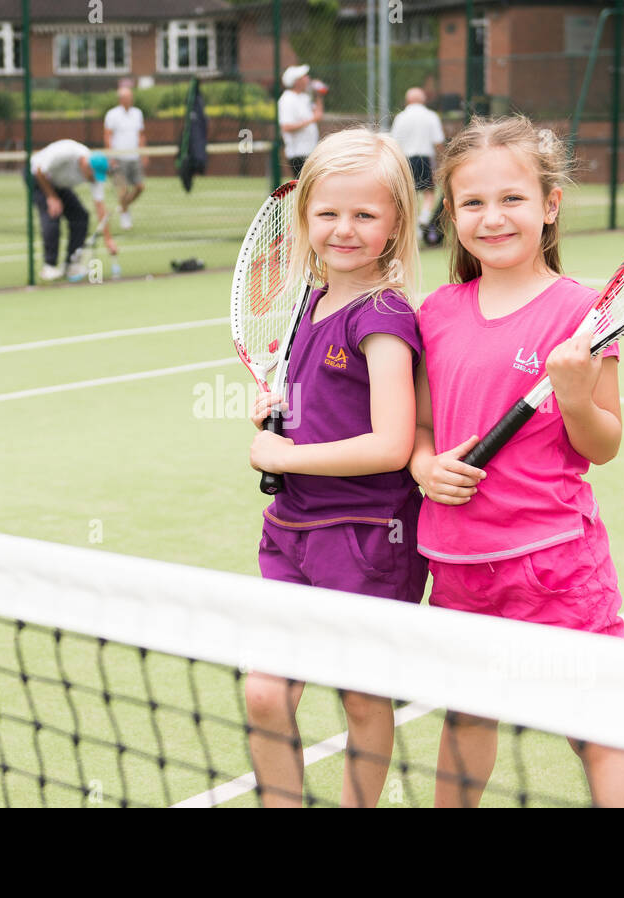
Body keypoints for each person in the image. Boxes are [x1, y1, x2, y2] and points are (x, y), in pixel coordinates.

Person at [409, 115, 624, 808]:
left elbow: (602, 444)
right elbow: (422, 426)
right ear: (450, 212)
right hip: (457, 561)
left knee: (600, 731)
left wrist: (576, 399)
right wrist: (425, 467)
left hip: (554, 563)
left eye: (512, 199)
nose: (492, 217)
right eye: (472, 202)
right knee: (466, 718)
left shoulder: (584, 313)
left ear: (549, 205)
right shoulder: (436, 311)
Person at [244, 129, 426, 807]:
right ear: (305, 219)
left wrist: (288, 455)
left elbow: (391, 443)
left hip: (367, 539)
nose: (343, 229)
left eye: (364, 215)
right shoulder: (305, 307)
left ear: (395, 224)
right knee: (265, 693)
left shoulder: (384, 316)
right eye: (328, 213)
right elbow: (312, 407)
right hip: (290, 533)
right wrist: (274, 410)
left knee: (361, 698)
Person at [27, 138, 117, 282]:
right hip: (38, 177)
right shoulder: (67, 152)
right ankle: (49, 266)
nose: (93, 180)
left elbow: (100, 206)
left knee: (81, 216)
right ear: (87, 166)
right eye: (93, 176)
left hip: (59, 184)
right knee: (53, 214)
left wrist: (108, 239)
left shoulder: (94, 173)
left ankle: (70, 263)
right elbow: (39, 170)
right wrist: (51, 197)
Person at [390, 87, 446, 238]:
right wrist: (443, 159)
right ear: (423, 100)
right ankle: (423, 219)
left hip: (405, 160)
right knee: (429, 193)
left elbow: (394, 142)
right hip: (424, 159)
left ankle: (411, 227)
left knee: (408, 195)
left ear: (408, 100)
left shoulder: (400, 117)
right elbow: (438, 141)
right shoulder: (431, 116)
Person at [103, 85, 145, 230]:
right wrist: (111, 156)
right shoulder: (112, 114)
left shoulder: (138, 113)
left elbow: (141, 135)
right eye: (127, 97)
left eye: (131, 97)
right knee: (123, 189)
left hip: (134, 157)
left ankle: (123, 206)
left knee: (140, 187)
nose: (130, 100)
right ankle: (125, 215)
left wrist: (142, 153)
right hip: (119, 158)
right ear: (121, 99)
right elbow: (107, 136)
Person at [277, 64, 323, 178]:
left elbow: (318, 114)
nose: (308, 79)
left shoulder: (304, 97)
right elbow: (286, 127)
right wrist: (312, 119)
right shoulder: (287, 99)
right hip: (298, 154)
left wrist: (318, 95)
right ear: (296, 81)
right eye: (304, 77)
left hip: (311, 151)